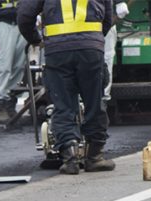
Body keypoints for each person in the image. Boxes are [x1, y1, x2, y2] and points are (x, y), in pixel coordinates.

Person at [18, 0, 115, 175]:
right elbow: (108, 17)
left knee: (63, 105)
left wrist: (35, 39)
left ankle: (70, 158)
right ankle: (94, 157)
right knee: (94, 102)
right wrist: (94, 40)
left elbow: (25, 16)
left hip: (58, 51)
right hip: (91, 50)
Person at [104, 0, 129, 102]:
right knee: (106, 60)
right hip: (102, 28)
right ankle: (103, 99)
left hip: (72, 32)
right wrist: (106, 27)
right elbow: (122, 10)